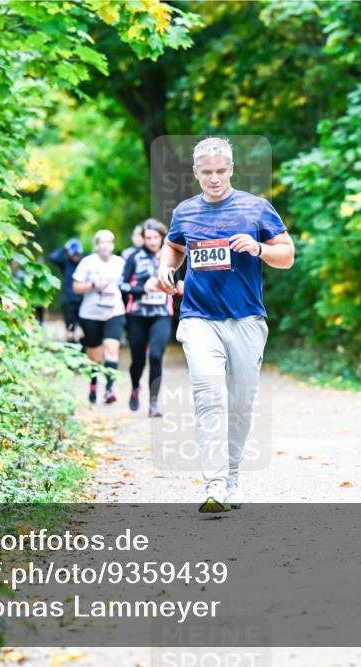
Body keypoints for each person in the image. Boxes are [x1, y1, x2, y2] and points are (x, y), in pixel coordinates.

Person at [158, 137, 295, 513]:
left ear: (232, 169)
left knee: (240, 405)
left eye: (221, 171)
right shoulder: (185, 211)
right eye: (207, 172)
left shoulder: (256, 208)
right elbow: (174, 247)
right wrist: (165, 268)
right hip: (199, 318)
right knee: (209, 396)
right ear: (195, 173)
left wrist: (259, 249)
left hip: (246, 319)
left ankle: (232, 477)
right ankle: (214, 484)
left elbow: (287, 255)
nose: (214, 178)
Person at [119, 219, 173, 418]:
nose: (152, 241)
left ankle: (153, 403)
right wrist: (143, 288)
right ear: (143, 239)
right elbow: (122, 285)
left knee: (156, 356)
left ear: (162, 237)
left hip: (162, 314)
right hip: (137, 316)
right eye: (148, 238)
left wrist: (175, 287)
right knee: (138, 360)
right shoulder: (133, 258)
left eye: (155, 237)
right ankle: (135, 386)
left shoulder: (171, 257)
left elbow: (179, 282)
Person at [73, 230, 126, 404]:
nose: (105, 245)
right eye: (101, 242)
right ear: (96, 245)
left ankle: (109, 390)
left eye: (108, 242)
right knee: (94, 355)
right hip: (91, 314)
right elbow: (75, 287)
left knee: (112, 348)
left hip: (114, 311)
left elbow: (128, 283)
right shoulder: (87, 262)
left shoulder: (120, 263)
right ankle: (93, 385)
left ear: (113, 245)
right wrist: (94, 284)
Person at [48, 239, 84, 342]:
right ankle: (71, 348)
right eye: (73, 254)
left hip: (83, 300)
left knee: (85, 329)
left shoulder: (85, 262)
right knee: (70, 330)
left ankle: (83, 349)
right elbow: (53, 257)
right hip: (69, 300)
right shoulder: (65, 263)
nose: (75, 256)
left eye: (77, 254)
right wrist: (65, 248)